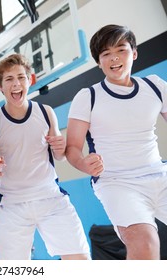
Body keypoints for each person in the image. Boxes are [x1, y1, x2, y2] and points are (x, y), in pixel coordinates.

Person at [66, 24, 167, 260]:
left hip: (159, 174)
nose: (114, 58)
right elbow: (72, 148)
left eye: (121, 49)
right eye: (105, 54)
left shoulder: (154, 85)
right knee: (146, 243)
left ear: (134, 53)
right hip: (117, 182)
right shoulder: (87, 96)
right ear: (99, 62)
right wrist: (83, 164)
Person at [0, 53, 90, 260]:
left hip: (50, 197)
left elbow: (60, 157)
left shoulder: (45, 112)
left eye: (21, 77)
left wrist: (60, 147)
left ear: (29, 81)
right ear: (1, 87)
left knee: (80, 261)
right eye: (9, 79)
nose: (16, 84)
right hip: (12, 205)